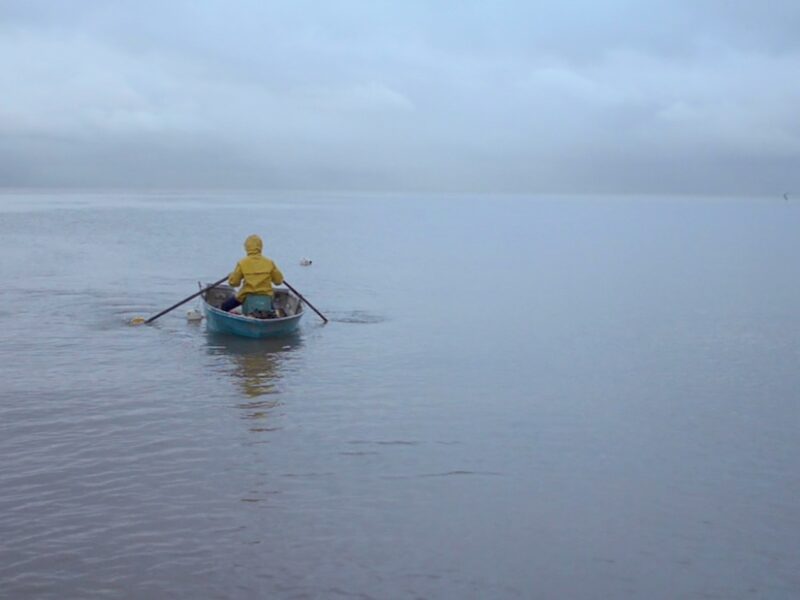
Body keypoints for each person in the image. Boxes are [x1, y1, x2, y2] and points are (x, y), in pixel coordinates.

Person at [221, 234, 284, 314]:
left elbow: (234, 283)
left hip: (245, 296)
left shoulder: (242, 263)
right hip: (266, 297)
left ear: (247, 247)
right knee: (273, 313)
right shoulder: (269, 263)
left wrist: (231, 276)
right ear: (261, 246)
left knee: (224, 307)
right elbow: (278, 281)